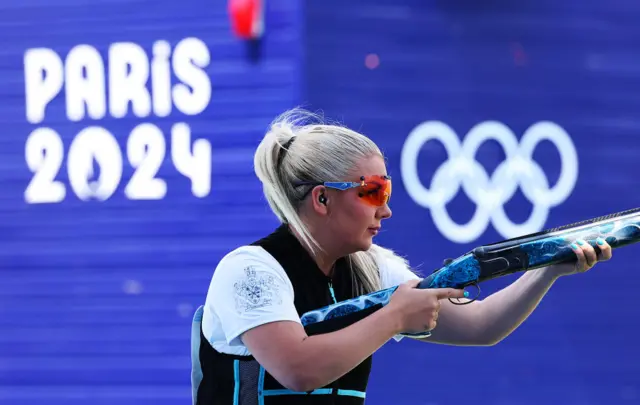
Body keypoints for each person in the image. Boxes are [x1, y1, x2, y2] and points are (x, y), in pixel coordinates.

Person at [194, 108, 612, 405]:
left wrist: (546, 269)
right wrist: (394, 316)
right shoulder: (250, 269)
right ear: (321, 198)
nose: (386, 210)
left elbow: (481, 325)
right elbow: (298, 370)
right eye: (373, 192)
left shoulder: (372, 268)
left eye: (386, 192)